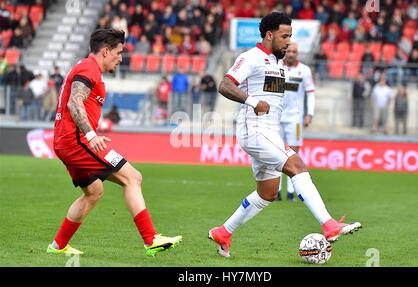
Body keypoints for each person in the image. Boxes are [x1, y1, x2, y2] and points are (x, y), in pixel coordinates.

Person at [208, 12, 361, 258]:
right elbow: (225, 85)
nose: (288, 41)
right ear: (269, 35)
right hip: (255, 131)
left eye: (290, 36)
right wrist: (252, 101)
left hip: (270, 132)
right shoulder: (251, 58)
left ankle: (223, 232)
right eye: (284, 36)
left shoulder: (277, 62)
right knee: (297, 165)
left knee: (267, 193)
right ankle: (329, 225)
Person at [47, 29, 182, 257]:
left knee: (94, 192)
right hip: (77, 141)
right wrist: (91, 135)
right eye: (118, 53)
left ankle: (57, 246)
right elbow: (74, 103)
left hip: (67, 141)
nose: (120, 58)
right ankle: (151, 239)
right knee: (133, 177)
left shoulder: (87, 68)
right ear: (106, 51)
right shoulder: (88, 68)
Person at [277, 42, 315, 202]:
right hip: (277, 117)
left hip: (296, 119)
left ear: (297, 53)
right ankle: (277, 190)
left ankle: (292, 191)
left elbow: (311, 93)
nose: (291, 54)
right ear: (285, 51)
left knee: (293, 154)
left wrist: (309, 114)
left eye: (294, 51)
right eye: (289, 51)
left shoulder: (304, 70)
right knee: (277, 153)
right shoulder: (277, 66)